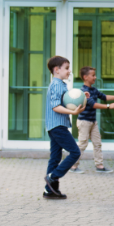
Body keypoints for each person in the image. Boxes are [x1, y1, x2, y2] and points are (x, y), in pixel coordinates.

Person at [43, 56, 89, 200]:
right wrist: (73, 112)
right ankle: (53, 177)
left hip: (56, 125)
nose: (70, 71)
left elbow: (67, 100)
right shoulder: (56, 85)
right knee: (75, 152)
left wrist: (82, 96)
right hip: (57, 126)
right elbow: (56, 106)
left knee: (55, 157)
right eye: (67, 68)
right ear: (56, 70)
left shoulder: (61, 84)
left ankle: (49, 191)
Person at [71, 66, 114, 174]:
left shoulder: (93, 90)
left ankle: (99, 166)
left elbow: (105, 97)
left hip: (92, 122)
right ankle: (73, 166)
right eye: (93, 75)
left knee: (97, 143)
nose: (95, 77)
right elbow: (93, 104)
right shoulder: (83, 91)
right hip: (84, 122)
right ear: (85, 77)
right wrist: (108, 107)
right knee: (82, 144)